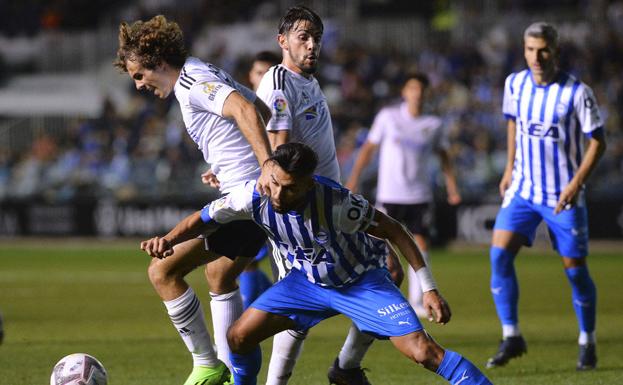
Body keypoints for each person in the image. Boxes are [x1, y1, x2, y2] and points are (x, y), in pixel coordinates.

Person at [140, 142, 493, 385]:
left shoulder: (338, 204)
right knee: (238, 337)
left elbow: (395, 230)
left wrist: (428, 287)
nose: (278, 194)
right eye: (275, 182)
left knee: (423, 352)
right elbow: (203, 219)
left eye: (290, 189)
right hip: (305, 285)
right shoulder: (254, 194)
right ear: (269, 171)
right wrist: (167, 240)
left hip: (361, 283)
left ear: (308, 185)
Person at [114, 15, 274, 385]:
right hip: (246, 191)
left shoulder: (192, 82)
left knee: (163, 271)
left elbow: (248, 111)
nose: (139, 85)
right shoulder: (203, 71)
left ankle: (208, 364)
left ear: (157, 61)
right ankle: (233, 373)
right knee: (219, 275)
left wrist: (264, 165)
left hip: (247, 198)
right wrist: (228, 163)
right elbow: (262, 112)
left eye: (139, 75)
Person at [255, 6, 403, 385]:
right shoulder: (278, 84)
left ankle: (347, 367)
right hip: (302, 217)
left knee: (388, 274)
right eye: (303, 37)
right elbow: (279, 155)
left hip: (333, 208)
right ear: (282, 40)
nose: (312, 45)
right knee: (295, 314)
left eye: (316, 38)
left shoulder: (309, 82)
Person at [486, 22, 606, 370]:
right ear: (523, 50)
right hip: (523, 190)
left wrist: (576, 183)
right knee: (498, 257)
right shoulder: (515, 83)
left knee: (575, 271)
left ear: (556, 50)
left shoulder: (577, 92)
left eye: (543, 50)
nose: (536, 57)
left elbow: (599, 141)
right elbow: (512, 123)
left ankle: (587, 339)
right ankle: (511, 335)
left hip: (562, 195)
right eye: (530, 50)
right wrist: (509, 168)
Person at [345, 72, 461, 317]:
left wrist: (452, 187)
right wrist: (354, 179)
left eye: (421, 89)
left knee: (420, 246)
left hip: (419, 195)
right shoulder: (388, 117)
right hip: (389, 194)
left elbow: (444, 158)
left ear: (427, 93)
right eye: (412, 88)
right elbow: (368, 149)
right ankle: (378, 297)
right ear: (404, 92)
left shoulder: (434, 124)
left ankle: (417, 301)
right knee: (381, 249)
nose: (417, 93)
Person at [238, 51, 281, 310]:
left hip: (277, 194)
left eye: (269, 72)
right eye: (259, 72)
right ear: (250, 77)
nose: (264, 78)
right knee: (245, 258)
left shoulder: (281, 106)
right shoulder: (245, 108)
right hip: (250, 190)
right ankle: (253, 312)